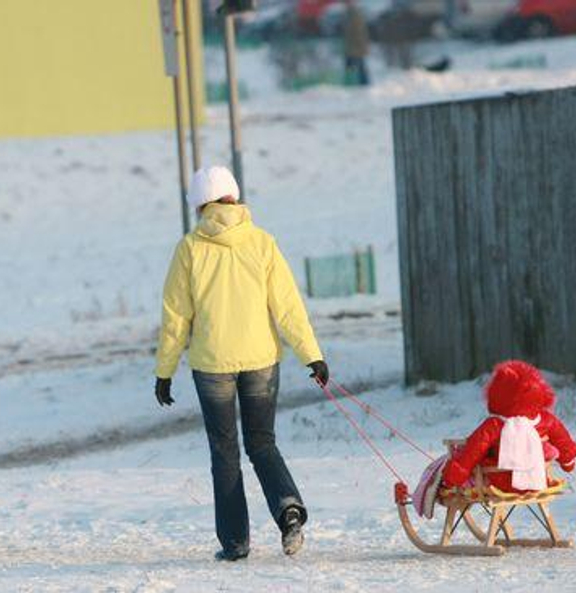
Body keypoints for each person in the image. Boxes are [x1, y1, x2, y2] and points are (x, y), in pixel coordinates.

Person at [154, 165, 329, 562]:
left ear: (200, 204)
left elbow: (175, 317)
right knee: (262, 442)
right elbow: (287, 307)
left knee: (225, 451)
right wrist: (311, 354)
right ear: (234, 197)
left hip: (212, 364)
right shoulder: (262, 243)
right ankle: (288, 509)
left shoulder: (189, 248)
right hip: (261, 360)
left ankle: (235, 543)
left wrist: (164, 371)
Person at [441, 360, 576, 493]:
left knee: (483, 456)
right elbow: (563, 441)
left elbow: (473, 450)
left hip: (502, 483)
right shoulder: (545, 419)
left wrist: (455, 475)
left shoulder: (495, 425)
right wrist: (568, 462)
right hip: (539, 481)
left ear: (497, 393)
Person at [343, 0, 371, 86]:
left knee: (358, 65)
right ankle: (354, 82)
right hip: (352, 45)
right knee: (355, 65)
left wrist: (361, 44)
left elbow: (359, 31)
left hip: (356, 45)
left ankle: (362, 83)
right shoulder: (349, 13)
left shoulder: (355, 13)